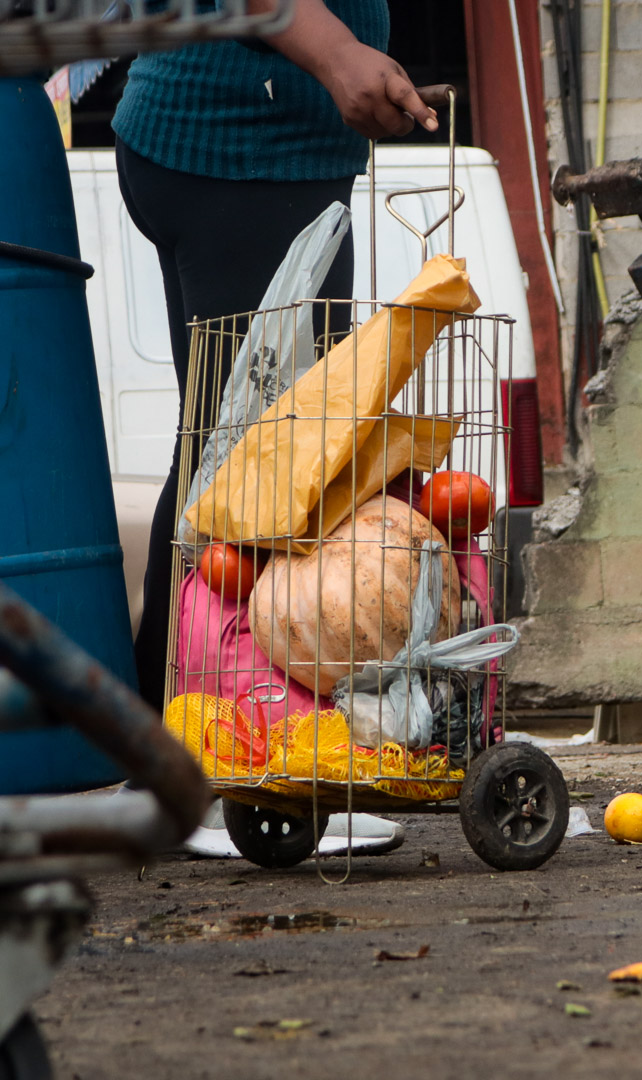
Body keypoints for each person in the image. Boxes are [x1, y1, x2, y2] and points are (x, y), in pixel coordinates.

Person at [112, 0, 438, 856]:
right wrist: (335, 55)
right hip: (241, 150)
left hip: (246, 146)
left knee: (227, 457)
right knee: (264, 467)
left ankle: (176, 756)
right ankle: (224, 770)